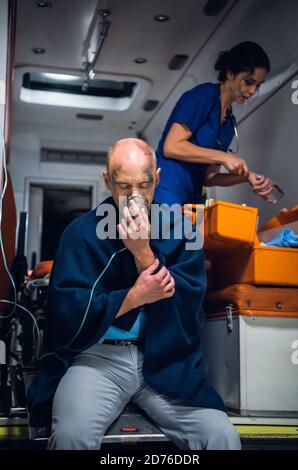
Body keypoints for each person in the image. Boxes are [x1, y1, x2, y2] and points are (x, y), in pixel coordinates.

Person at [27, 138, 240, 450]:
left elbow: (189, 305)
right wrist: (133, 297)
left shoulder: (182, 228)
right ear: (106, 181)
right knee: (72, 436)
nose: (135, 198)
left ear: (157, 177)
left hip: (166, 358)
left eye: (144, 184)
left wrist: (142, 253)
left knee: (221, 436)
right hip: (98, 359)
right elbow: (66, 313)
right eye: (124, 187)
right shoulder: (80, 234)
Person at [155, 41, 273, 206]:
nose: (253, 91)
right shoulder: (204, 96)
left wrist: (247, 177)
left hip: (190, 198)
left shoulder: (228, 123)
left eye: (258, 85)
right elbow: (171, 147)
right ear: (230, 73)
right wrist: (224, 157)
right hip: (166, 190)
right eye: (248, 82)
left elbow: (209, 177)